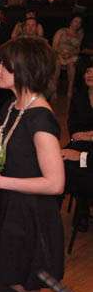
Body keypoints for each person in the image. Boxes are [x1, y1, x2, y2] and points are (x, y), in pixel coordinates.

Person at [0, 36, 65, 292]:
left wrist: (0, 182)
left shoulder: (40, 118)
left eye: (4, 65)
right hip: (7, 207)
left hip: (28, 215)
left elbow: (55, 183)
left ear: (23, 69)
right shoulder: (12, 107)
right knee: (2, 282)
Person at [61, 59, 93, 231]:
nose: (90, 75)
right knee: (62, 160)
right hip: (80, 143)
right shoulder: (79, 96)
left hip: (89, 149)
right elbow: (72, 123)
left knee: (82, 164)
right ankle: (52, 208)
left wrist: (89, 136)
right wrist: (78, 136)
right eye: (87, 71)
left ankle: (82, 208)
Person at [52, 15, 84, 102]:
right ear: (71, 22)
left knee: (72, 64)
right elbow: (54, 45)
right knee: (57, 62)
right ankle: (54, 90)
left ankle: (70, 89)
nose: (77, 24)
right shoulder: (62, 31)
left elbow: (78, 49)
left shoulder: (80, 34)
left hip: (71, 55)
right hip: (59, 53)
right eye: (75, 21)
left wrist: (70, 54)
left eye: (79, 22)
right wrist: (62, 53)